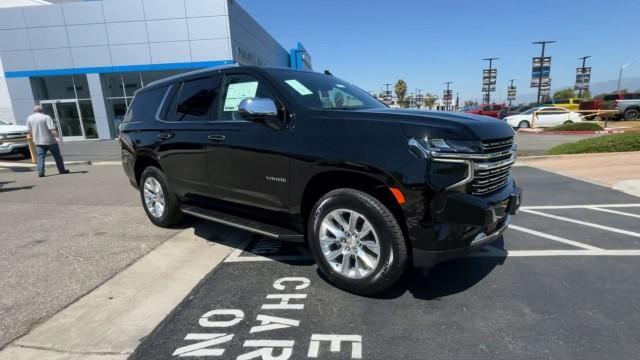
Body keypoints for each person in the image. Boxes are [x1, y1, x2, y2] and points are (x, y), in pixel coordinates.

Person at [26, 105, 69, 177]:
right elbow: (52, 129)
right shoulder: (46, 117)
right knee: (57, 156)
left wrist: (33, 138)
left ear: (34, 111)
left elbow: (28, 130)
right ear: (42, 110)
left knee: (40, 157)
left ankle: (40, 171)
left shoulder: (29, 118)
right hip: (50, 141)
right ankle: (62, 170)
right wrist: (58, 138)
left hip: (38, 141)